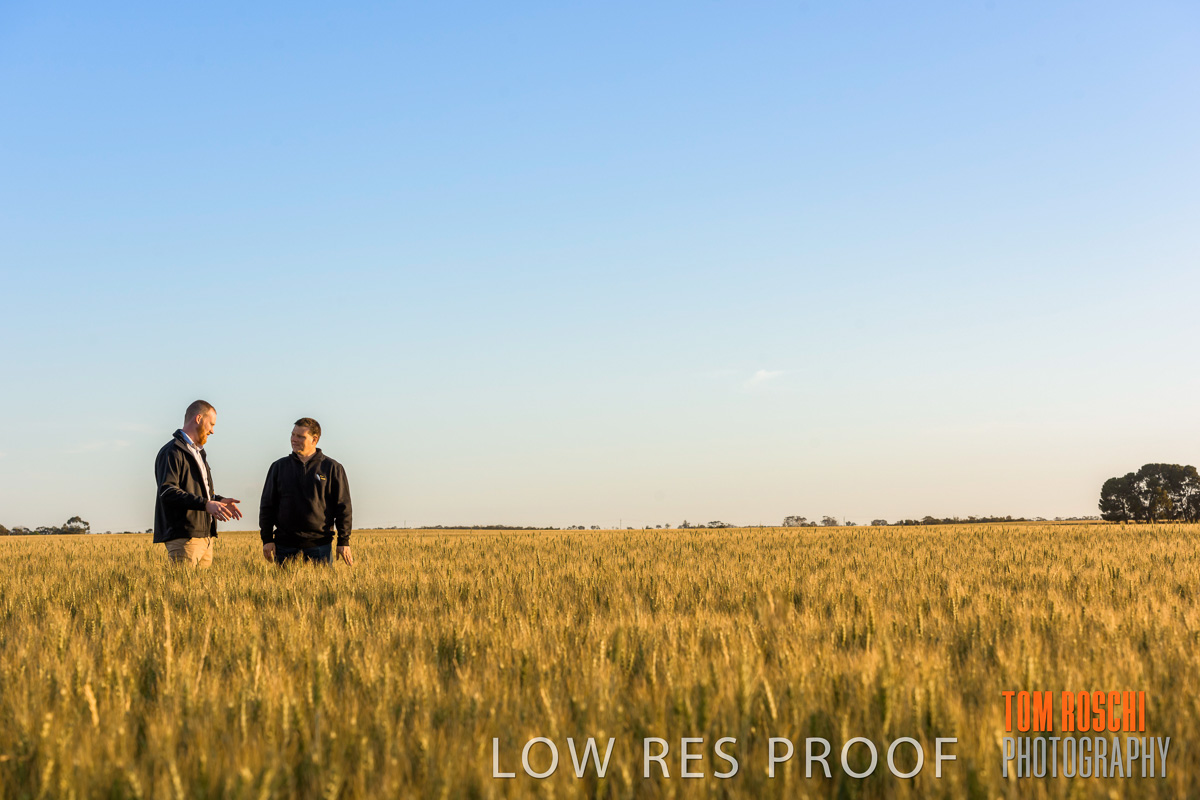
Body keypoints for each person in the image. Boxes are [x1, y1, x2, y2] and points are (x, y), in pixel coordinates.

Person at [153, 400, 242, 567]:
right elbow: (167, 491)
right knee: (183, 584)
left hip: (205, 537)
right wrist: (206, 504)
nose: (212, 431)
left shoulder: (198, 453)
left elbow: (198, 492)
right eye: (211, 424)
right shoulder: (172, 451)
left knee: (201, 585)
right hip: (185, 538)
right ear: (199, 418)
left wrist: (218, 501)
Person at [259, 417, 354, 566]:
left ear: (314, 439)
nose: (294, 439)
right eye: (293, 434)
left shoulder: (332, 468)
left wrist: (343, 540)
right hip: (284, 546)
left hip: (319, 546)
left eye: (300, 436)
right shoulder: (279, 467)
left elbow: (343, 507)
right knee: (284, 582)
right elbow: (267, 505)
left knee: (321, 583)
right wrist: (267, 539)